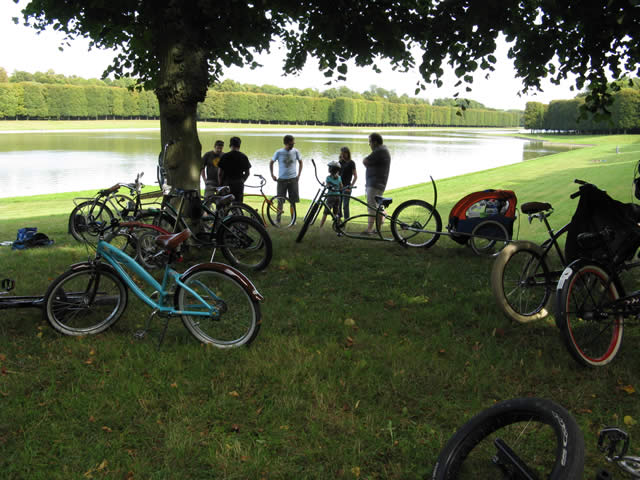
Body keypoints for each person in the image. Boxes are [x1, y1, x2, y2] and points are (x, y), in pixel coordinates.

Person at [362, 132, 391, 234]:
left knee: (371, 207)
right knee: (376, 206)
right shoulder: (383, 150)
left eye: (370, 142)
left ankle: (369, 229)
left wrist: (366, 162)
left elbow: (365, 161)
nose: (369, 144)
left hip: (375, 183)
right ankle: (378, 227)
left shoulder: (379, 150)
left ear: (375, 142)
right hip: (377, 183)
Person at [270, 134, 303, 207]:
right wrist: (272, 175)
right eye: (291, 144)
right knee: (280, 200)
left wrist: (298, 175)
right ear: (286, 143)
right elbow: (271, 162)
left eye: (293, 144)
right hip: (282, 179)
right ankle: (278, 218)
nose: (292, 145)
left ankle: (293, 217)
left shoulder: (296, 151)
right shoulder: (279, 152)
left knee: (293, 201)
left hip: (293, 179)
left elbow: (301, 162)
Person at [218, 136, 251, 203]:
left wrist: (220, 184)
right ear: (239, 146)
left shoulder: (225, 156)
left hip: (226, 183)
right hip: (239, 184)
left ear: (230, 145)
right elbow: (247, 173)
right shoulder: (243, 157)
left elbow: (219, 173)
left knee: (225, 204)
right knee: (238, 204)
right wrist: (242, 181)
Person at [319, 161, 343, 228]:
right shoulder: (339, 178)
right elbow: (341, 187)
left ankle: (321, 226)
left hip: (330, 196)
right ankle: (337, 225)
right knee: (335, 212)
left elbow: (327, 185)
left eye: (329, 167)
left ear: (331, 169)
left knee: (326, 212)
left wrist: (324, 184)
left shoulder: (328, 178)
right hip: (338, 196)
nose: (328, 168)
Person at [338, 146, 357, 219]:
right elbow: (336, 175)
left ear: (348, 153)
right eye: (342, 153)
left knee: (345, 205)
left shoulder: (351, 163)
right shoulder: (339, 163)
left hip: (347, 187)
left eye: (344, 153)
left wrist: (351, 186)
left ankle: (346, 220)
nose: (343, 154)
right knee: (338, 204)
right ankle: (338, 220)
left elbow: (355, 176)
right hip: (339, 186)